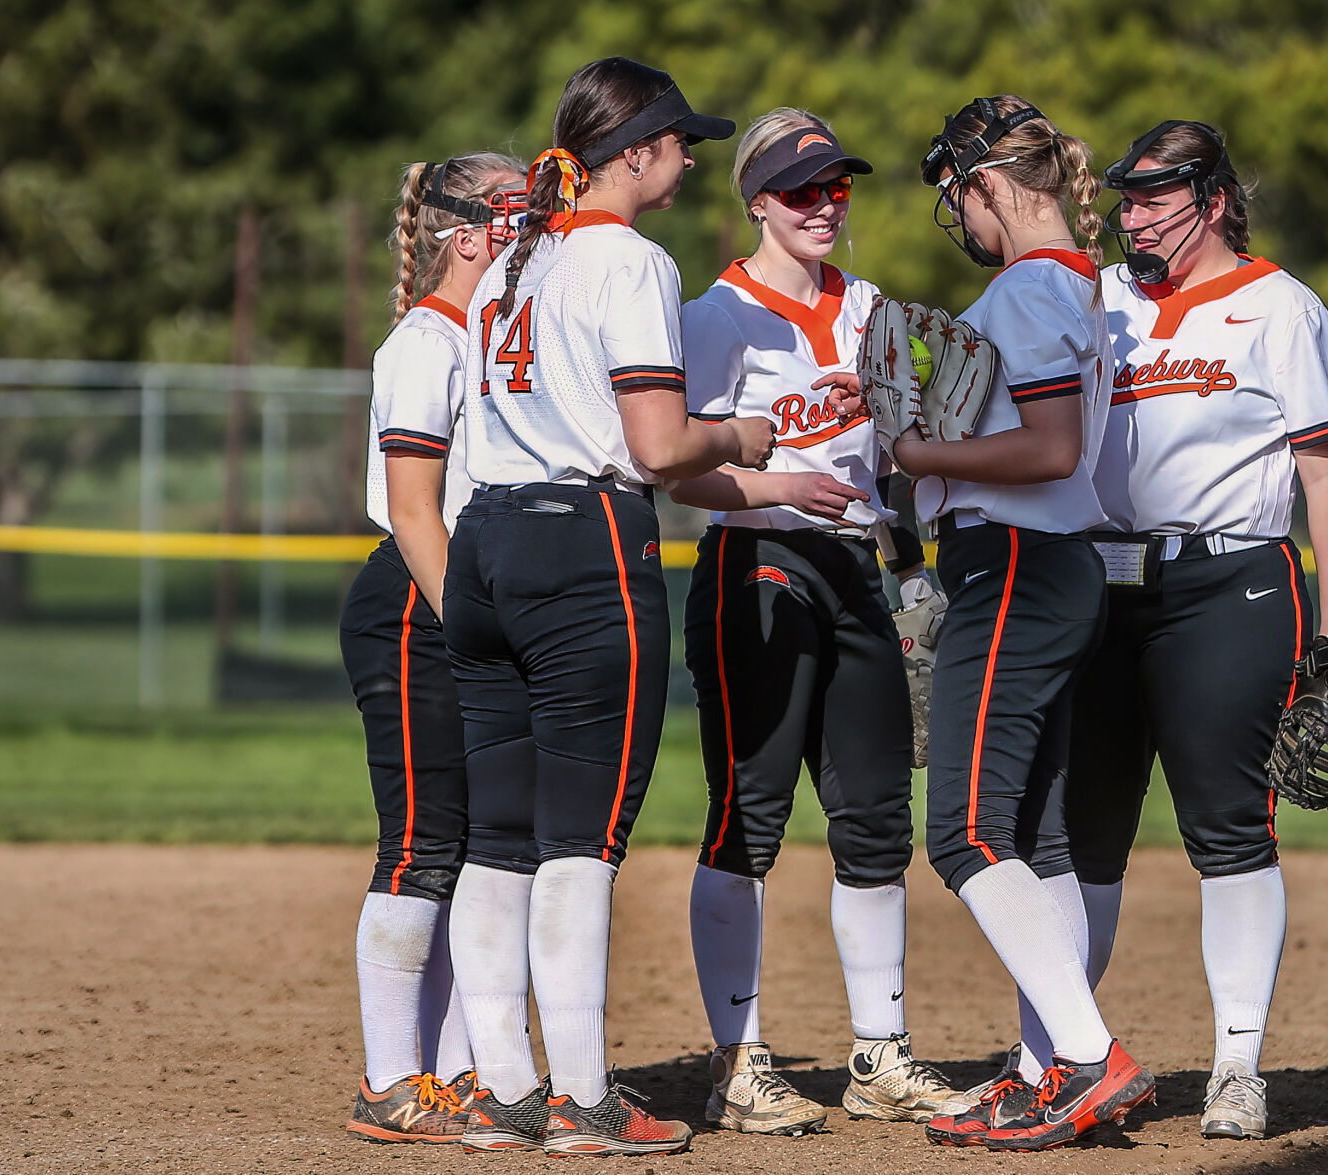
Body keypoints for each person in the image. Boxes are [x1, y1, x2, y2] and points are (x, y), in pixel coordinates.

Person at [442, 57, 773, 1157]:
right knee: (581, 841)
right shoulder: (628, 258)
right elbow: (660, 447)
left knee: (497, 837)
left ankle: (501, 1090)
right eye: (680, 144)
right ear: (633, 152)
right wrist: (741, 435)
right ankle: (582, 1098)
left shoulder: (515, 257)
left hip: (483, 543)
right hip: (581, 547)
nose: (690, 162)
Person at [863, 95, 1156, 1151]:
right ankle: (1043, 1072)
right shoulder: (1078, 287)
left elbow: (1046, 447)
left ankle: (1084, 1056)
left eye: (960, 193)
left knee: (965, 831)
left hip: (1019, 565)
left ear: (987, 182)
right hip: (1055, 565)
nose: (961, 215)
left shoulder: (1029, 289)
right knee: (1037, 840)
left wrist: (917, 455)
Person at [668, 107, 966, 1136]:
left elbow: (900, 451)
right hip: (756, 561)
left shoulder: (870, 305)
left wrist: (904, 482)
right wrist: (777, 480)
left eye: (836, 185)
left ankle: (879, 1054)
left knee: (876, 816)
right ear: (757, 201)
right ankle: (736, 1059)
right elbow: (677, 470)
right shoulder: (716, 315)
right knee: (748, 814)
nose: (824, 204)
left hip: (853, 568)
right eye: (801, 189)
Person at [1067, 119, 1328, 1142]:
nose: (1133, 213)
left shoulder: (1279, 306)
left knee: (1229, 829)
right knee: (1079, 831)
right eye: (1127, 195)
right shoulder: (1097, 299)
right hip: (1097, 585)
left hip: (1228, 581)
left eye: (1155, 195)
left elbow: (1323, 470)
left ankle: (1235, 1065)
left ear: (1214, 200)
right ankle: (1059, 1056)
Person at [337, 150, 524, 1144]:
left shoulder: (495, 339)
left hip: (464, 604)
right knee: (421, 841)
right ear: (468, 235)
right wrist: (475, 628)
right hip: (419, 602)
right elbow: (415, 512)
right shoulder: (426, 340)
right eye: (518, 215)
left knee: (476, 847)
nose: (532, 233)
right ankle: (388, 1078)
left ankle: (456, 1073)